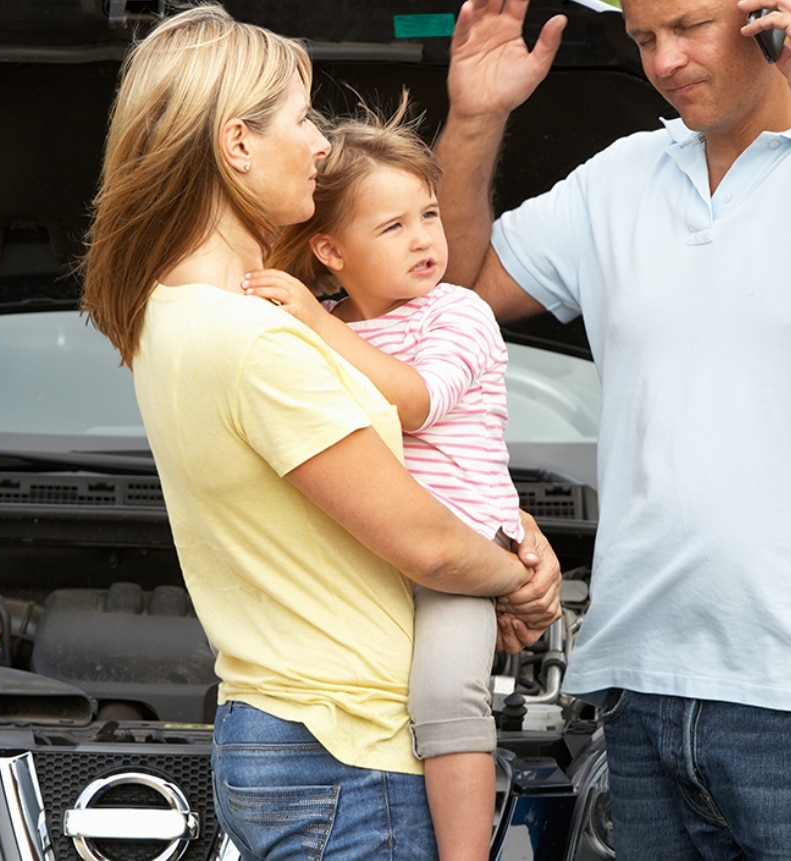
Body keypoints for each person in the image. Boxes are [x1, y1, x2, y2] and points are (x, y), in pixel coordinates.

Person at [79, 4, 562, 858]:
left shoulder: (172, 312)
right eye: (301, 119)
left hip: (281, 724)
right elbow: (430, 544)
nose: (318, 144)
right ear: (236, 145)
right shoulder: (260, 339)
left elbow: (413, 452)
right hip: (349, 750)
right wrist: (520, 576)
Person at [433, 0, 791, 855]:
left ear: (769, 16)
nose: (664, 61)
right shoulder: (623, 176)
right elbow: (449, 299)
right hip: (639, 683)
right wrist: (477, 118)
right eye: (642, 39)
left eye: (689, 28)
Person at [241, 100, 523, 861]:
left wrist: (315, 321)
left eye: (428, 215)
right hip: (371, 554)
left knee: (444, 696)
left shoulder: (457, 314)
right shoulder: (315, 319)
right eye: (391, 226)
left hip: (458, 550)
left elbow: (419, 401)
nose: (424, 239)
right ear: (330, 250)